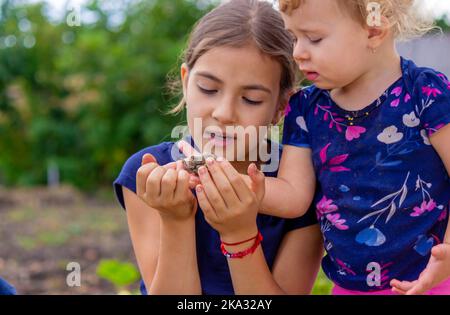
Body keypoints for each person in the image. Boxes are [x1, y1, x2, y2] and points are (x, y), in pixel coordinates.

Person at [191, 0, 450, 295]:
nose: (297, 52)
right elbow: (294, 196)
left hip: (433, 280)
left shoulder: (425, 93)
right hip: (349, 287)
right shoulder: (306, 108)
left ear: (374, 29)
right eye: (294, 38)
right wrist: (228, 181)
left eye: (313, 38)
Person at [113, 0, 323, 295]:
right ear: (186, 82)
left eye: (251, 99)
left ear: (281, 107)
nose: (224, 113)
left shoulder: (302, 186)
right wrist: (176, 219)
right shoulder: (148, 174)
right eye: (208, 89)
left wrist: (239, 233)